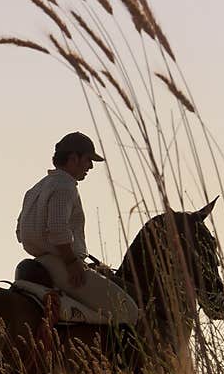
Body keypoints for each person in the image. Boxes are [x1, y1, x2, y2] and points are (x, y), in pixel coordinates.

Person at [15, 131, 139, 326]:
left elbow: (20, 233)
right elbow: (57, 229)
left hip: (39, 262)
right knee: (128, 311)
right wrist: (72, 261)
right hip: (62, 266)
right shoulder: (65, 186)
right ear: (73, 158)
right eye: (88, 160)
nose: (90, 166)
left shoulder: (36, 188)